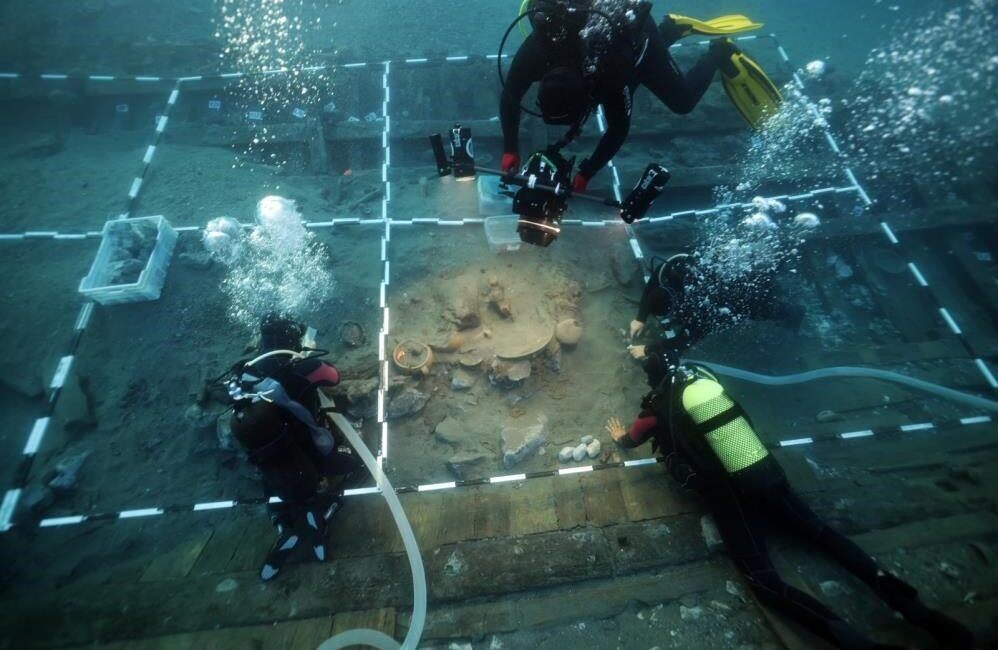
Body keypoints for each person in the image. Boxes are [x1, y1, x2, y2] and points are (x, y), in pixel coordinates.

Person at [606, 347, 975, 649]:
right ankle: (916, 609)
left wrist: (620, 436)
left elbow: (632, 438)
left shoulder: (657, 411)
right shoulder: (704, 380)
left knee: (762, 579)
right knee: (824, 537)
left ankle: (855, 643)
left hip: (731, 496)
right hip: (765, 474)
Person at [499, 2, 782, 192]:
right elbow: (510, 96)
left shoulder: (610, 75)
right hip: (611, 45)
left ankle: (719, 52)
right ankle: (671, 30)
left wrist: (587, 172)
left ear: (587, 94)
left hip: (633, 43)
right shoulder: (536, 52)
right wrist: (510, 147)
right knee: (633, 75)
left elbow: (618, 129)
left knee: (681, 101)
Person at [227, 315, 362, 581]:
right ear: (293, 340)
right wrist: (305, 357)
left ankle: (283, 527)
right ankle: (324, 511)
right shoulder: (304, 367)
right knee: (355, 463)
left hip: (271, 458)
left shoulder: (246, 372)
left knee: (277, 487)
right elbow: (334, 376)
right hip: (312, 451)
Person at [627, 252, 805, 358]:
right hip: (736, 278)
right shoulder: (677, 271)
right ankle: (775, 271)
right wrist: (640, 317)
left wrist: (647, 349)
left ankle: (797, 313)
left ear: (676, 308)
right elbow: (656, 277)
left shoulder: (702, 311)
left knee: (769, 308)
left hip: (747, 299)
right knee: (761, 278)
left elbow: (684, 341)